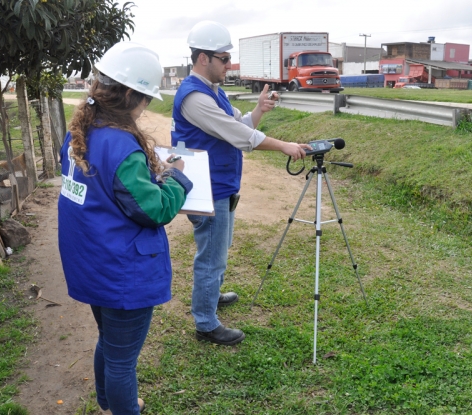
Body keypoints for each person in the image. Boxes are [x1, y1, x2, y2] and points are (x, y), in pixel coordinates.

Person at [58, 42, 192, 414]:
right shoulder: (122, 146)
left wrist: (147, 175)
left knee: (110, 340)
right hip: (122, 272)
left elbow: (97, 188)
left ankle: (107, 404)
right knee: (122, 361)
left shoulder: (79, 134)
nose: (146, 106)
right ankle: (121, 407)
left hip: (92, 262)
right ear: (131, 94)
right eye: (146, 99)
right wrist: (176, 179)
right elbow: (154, 209)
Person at [171, 20, 311, 346]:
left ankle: (211, 294)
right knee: (212, 256)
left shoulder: (213, 92)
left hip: (220, 183)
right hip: (208, 187)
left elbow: (240, 123)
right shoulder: (195, 98)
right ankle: (205, 323)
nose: (229, 65)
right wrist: (284, 146)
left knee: (219, 247)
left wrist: (259, 109)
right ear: (203, 58)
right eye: (224, 59)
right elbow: (241, 136)